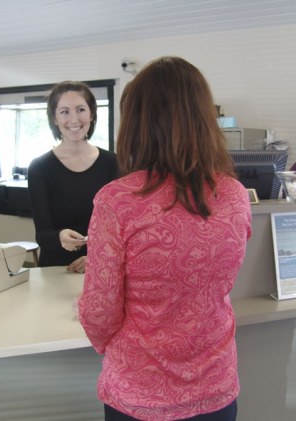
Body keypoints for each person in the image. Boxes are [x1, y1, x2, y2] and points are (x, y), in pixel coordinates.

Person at [78, 56, 252, 420]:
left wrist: (114, 347)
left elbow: (99, 311)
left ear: (138, 123)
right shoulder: (234, 194)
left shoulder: (118, 201)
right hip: (215, 390)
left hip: (139, 393)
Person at [28, 81, 118, 272]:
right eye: (64, 111)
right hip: (56, 271)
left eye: (80, 109)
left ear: (92, 114)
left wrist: (96, 257)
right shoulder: (39, 168)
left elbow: (119, 228)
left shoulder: (113, 163)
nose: (74, 119)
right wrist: (59, 236)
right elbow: (42, 234)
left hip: (101, 270)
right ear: (54, 118)